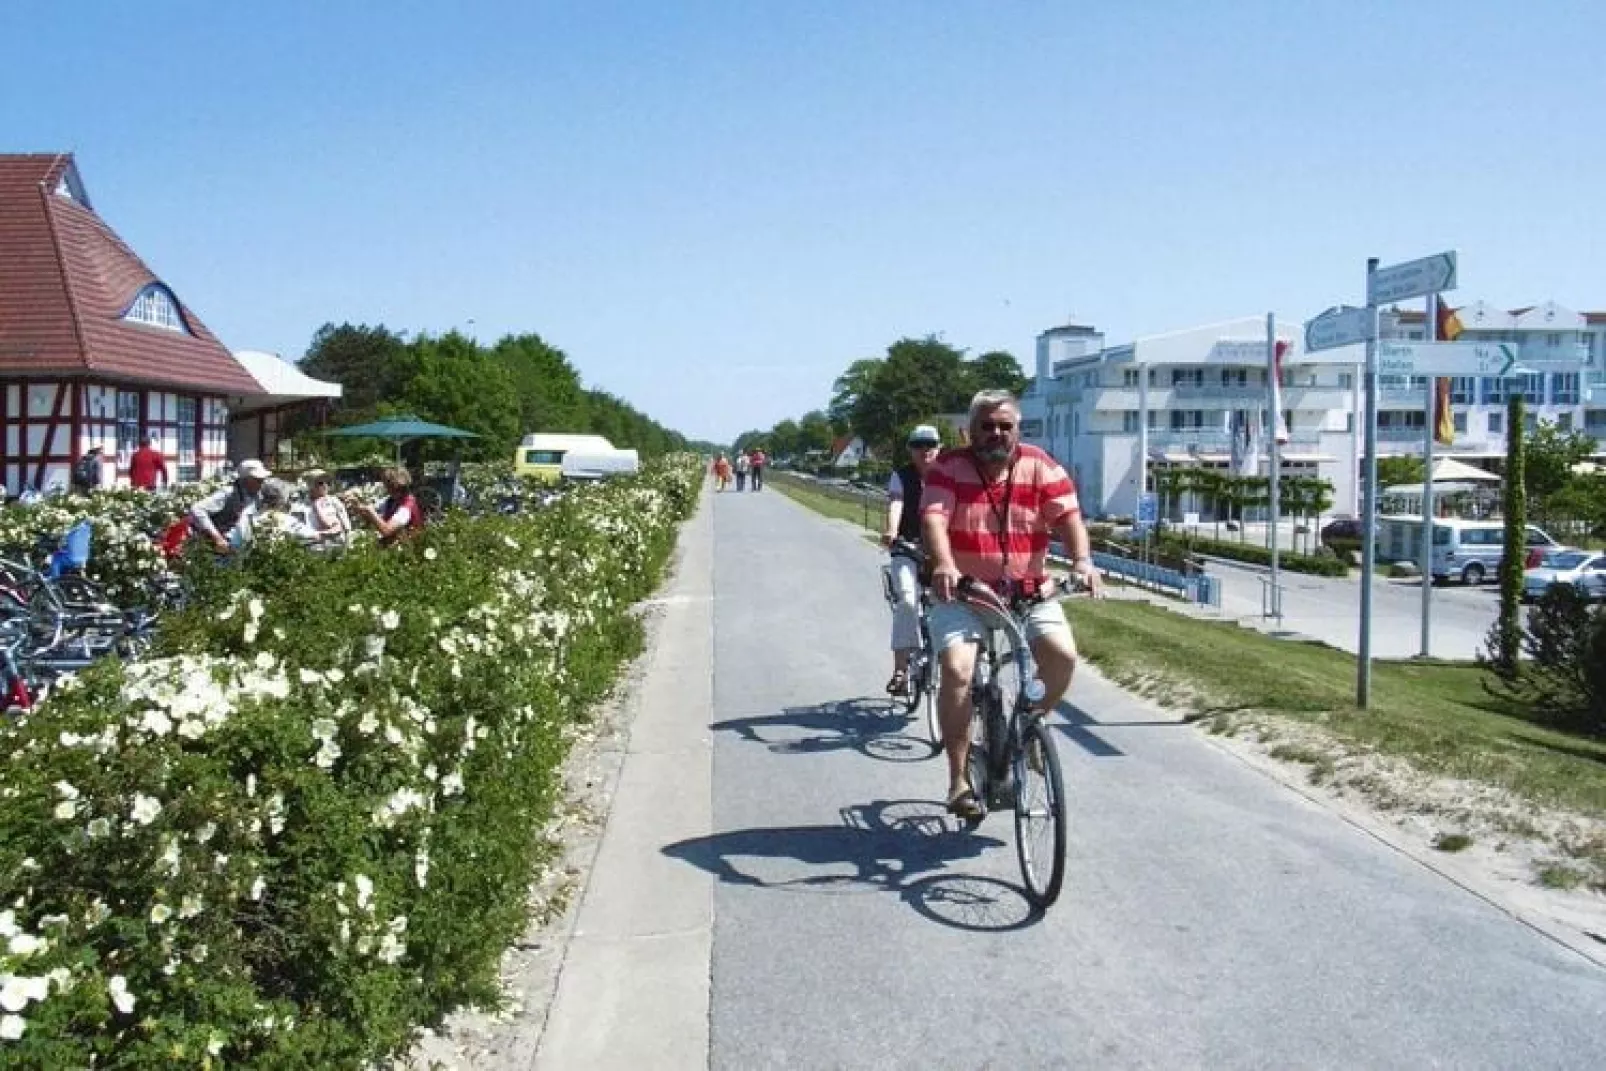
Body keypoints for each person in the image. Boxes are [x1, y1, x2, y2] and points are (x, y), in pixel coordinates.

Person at [920, 390, 1102, 819]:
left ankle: (1029, 728)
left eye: (1005, 426)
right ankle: (959, 779)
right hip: (964, 593)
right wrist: (944, 564)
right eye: (987, 425)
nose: (996, 434)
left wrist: (1082, 562)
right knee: (958, 670)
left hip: (1028, 592)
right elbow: (933, 519)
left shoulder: (1040, 464)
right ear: (971, 430)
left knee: (1061, 656)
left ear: (1018, 430)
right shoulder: (949, 467)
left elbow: (1069, 518)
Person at [880, 425, 942, 695]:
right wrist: (892, 531)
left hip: (941, 551)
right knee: (907, 600)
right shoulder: (901, 476)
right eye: (918, 445)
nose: (925, 450)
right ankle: (901, 670)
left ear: (939, 447)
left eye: (930, 444)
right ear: (910, 449)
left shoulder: (948, 476)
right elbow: (896, 503)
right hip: (907, 547)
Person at [189, 459, 271, 553]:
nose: (261, 483)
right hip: (215, 546)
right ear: (245, 479)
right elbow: (197, 509)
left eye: (262, 480)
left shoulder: (258, 497)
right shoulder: (229, 493)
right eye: (258, 480)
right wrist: (217, 538)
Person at [356, 467, 424, 546]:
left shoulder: (407, 507)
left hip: (405, 551)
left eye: (386, 484)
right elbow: (368, 513)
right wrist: (357, 504)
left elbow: (386, 530)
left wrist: (370, 511)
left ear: (393, 486)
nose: (385, 487)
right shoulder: (391, 500)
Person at [304, 469, 353, 547]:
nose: (325, 485)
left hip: (335, 544)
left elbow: (345, 527)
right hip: (310, 546)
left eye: (327, 482)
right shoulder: (302, 504)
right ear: (310, 486)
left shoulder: (333, 501)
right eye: (320, 483)